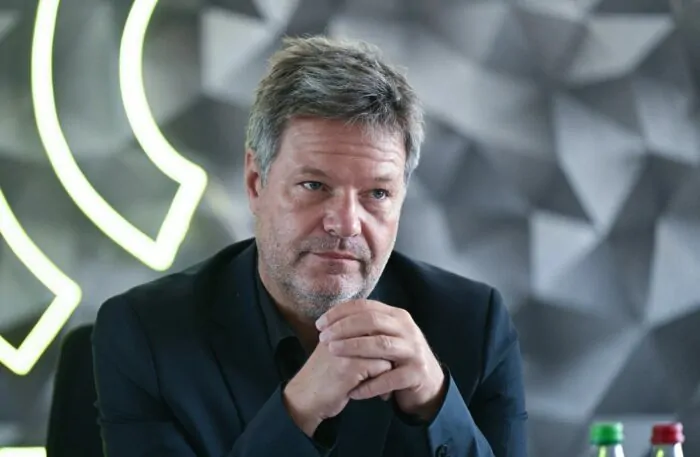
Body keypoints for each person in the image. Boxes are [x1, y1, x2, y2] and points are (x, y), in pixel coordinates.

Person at [91, 35, 528, 457]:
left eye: (377, 193)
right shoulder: (146, 335)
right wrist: (297, 411)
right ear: (256, 182)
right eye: (314, 185)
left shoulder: (475, 326)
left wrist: (436, 405)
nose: (346, 223)